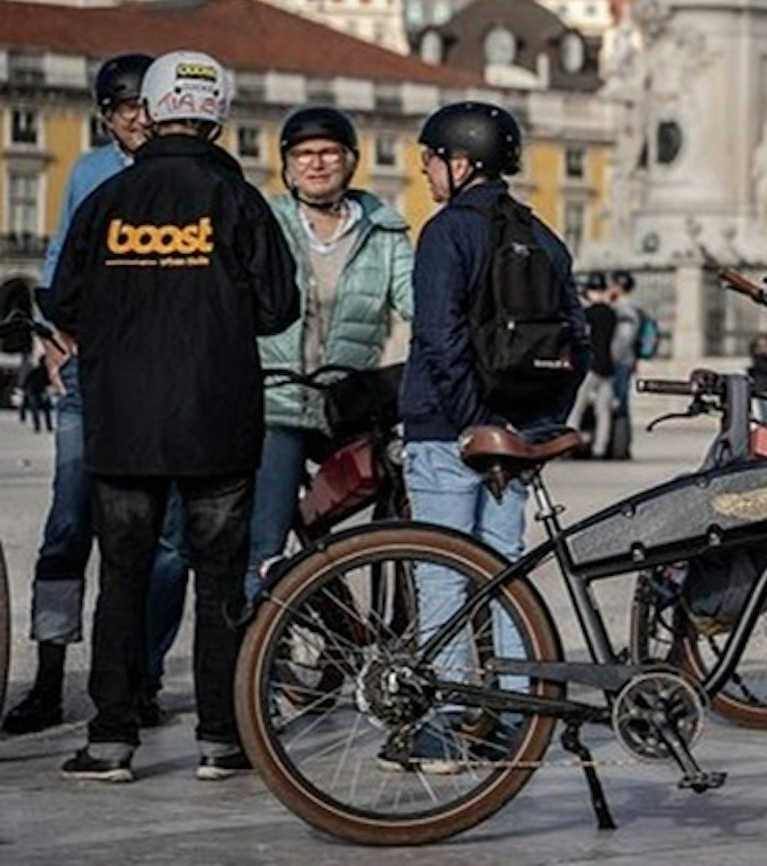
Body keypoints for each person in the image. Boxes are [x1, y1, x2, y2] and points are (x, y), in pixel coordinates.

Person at [41, 49, 299, 782]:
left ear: (149, 112)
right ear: (220, 116)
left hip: (124, 423)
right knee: (220, 580)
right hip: (217, 417)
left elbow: (61, 304)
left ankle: (111, 740)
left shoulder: (107, 200)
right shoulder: (239, 199)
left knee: (122, 574)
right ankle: (221, 738)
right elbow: (280, 307)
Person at [393, 100, 586, 771]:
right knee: (505, 571)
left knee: (443, 573)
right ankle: (511, 717)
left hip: (450, 430)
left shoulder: (447, 233)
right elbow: (578, 342)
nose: (423, 168)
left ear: (463, 161)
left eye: (432, 156)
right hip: (515, 439)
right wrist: (531, 425)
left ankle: (444, 722)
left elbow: (439, 335)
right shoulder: (544, 235)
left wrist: (473, 418)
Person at [3, 53, 189, 738]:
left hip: (168, 378)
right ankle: (49, 679)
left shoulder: (189, 172)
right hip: (94, 373)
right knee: (67, 525)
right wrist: (54, 335)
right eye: (122, 107)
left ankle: (141, 674)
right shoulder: (87, 172)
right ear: (105, 116)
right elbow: (57, 265)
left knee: (168, 536)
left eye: (146, 104)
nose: (137, 117)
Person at [245, 106, 413, 598]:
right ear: (288, 165)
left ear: (350, 161)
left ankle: (368, 633)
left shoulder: (384, 232)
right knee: (267, 543)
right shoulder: (264, 221)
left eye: (328, 153)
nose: (315, 164)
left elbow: (418, 304)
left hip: (348, 403)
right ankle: (260, 658)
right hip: (276, 401)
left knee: (385, 522)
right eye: (303, 155)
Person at [568, 273, 617, 458]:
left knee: (576, 408)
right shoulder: (611, 314)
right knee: (603, 411)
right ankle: (600, 448)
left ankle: (569, 444)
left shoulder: (586, 314)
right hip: (607, 366)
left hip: (589, 365)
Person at [607, 269, 642, 458]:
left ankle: (621, 446)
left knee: (619, 403)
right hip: (623, 361)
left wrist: (610, 358)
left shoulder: (626, 309)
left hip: (620, 362)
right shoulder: (622, 306)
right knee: (618, 403)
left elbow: (624, 338)